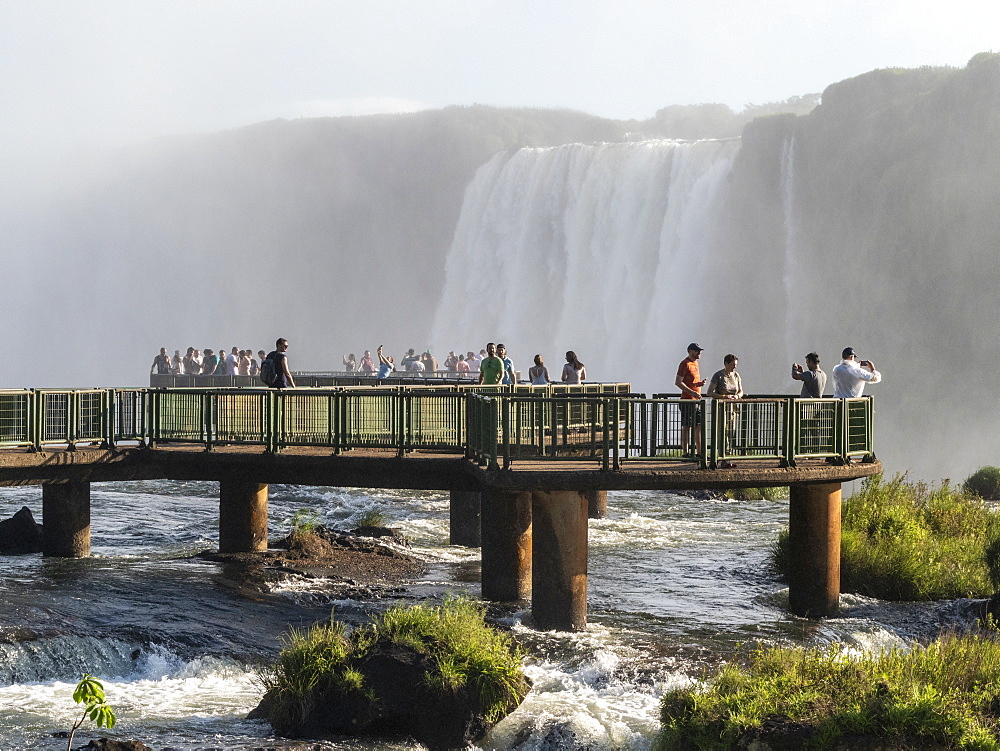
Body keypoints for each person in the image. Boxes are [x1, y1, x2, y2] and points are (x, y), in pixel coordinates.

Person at [707, 354, 744, 468]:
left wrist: (737, 396)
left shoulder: (736, 376)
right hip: (721, 408)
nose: (734, 367)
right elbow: (709, 392)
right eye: (732, 365)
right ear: (726, 364)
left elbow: (741, 391)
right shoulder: (718, 376)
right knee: (722, 432)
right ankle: (722, 457)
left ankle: (728, 457)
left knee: (731, 432)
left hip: (732, 408)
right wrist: (723, 397)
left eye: (736, 365)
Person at [675, 343, 707, 458]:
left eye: (700, 351)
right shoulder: (685, 364)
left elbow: (690, 382)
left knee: (698, 426)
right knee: (686, 427)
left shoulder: (695, 363)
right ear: (690, 351)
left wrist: (699, 384)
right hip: (687, 401)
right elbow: (678, 382)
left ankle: (699, 453)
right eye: (697, 350)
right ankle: (686, 453)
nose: (699, 353)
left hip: (696, 401)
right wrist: (692, 392)